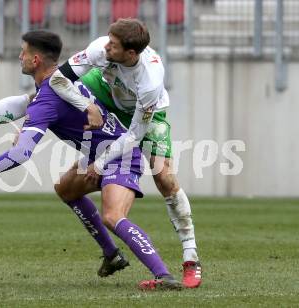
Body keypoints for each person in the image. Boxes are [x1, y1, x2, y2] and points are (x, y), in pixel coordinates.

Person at [0, 30, 182, 290]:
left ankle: (164, 276)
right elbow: (22, 104)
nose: (19, 56)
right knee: (66, 189)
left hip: (121, 157)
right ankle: (111, 255)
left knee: (113, 216)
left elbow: (21, 153)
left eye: (24, 52)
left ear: (36, 59)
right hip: (97, 156)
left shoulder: (48, 97)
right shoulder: (60, 84)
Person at [48, 18, 202, 288]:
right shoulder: (101, 49)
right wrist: (86, 106)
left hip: (142, 113)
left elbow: (133, 135)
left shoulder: (150, 82)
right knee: (54, 95)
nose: (106, 46)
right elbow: (58, 79)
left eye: (114, 45)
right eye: (108, 40)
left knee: (164, 176)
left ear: (131, 54)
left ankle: (191, 256)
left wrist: (100, 162)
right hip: (105, 91)